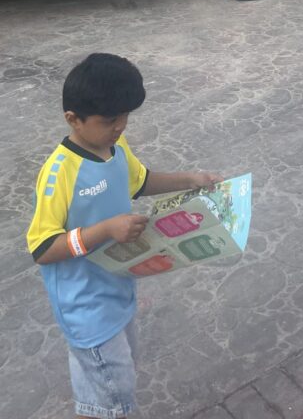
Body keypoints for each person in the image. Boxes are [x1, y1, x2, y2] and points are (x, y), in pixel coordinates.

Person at [26, 53, 220, 419]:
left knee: (101, 386)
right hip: (86, 308)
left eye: (126, 116)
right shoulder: (59, 173)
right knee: (116, 394)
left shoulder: (115, 147)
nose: (121, 126)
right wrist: (105, 230)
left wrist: (192, 179)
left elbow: (141, 181)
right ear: (73, 119)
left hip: (118, 287)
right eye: (110, 120)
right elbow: (42, 248)